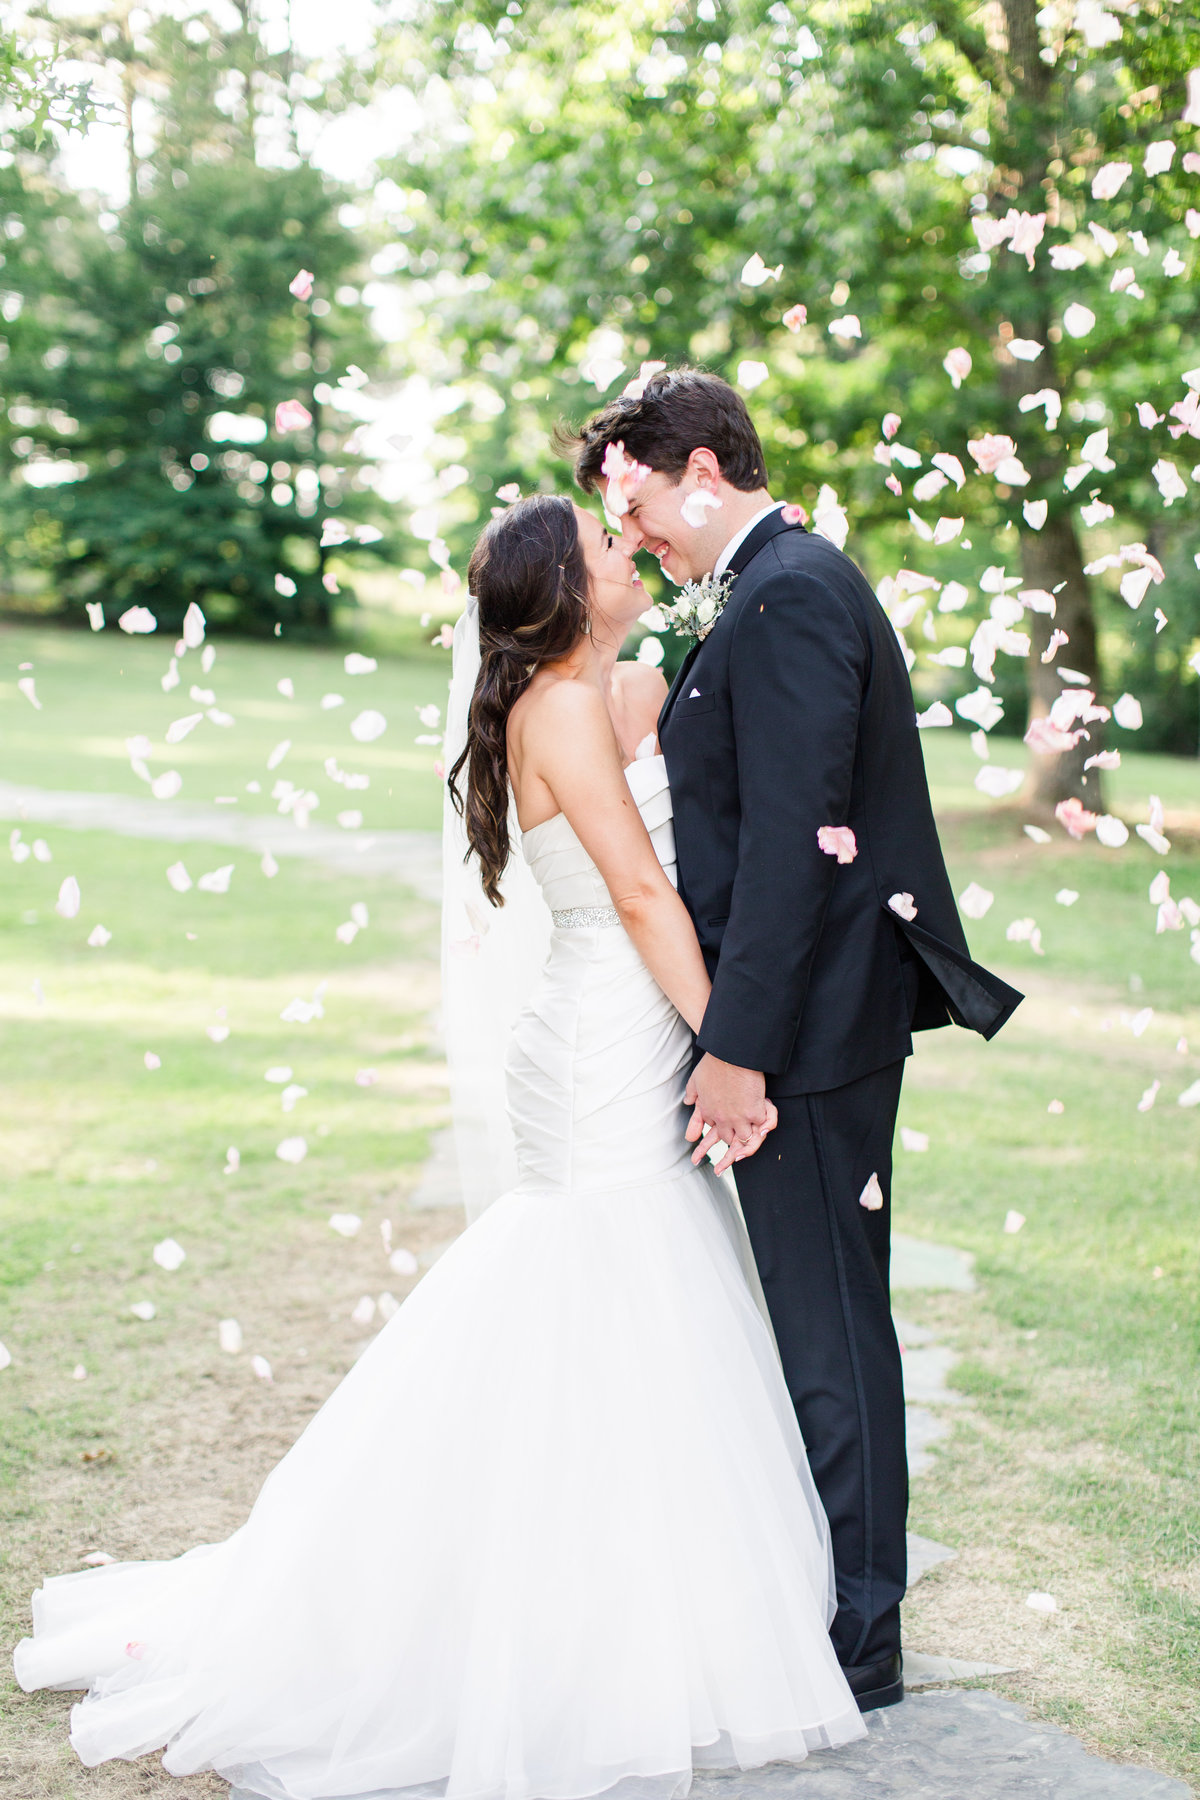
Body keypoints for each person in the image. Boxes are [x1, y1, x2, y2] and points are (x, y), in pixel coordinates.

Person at [14, 493, 868, 1797]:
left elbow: (668, 717)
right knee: (601, 1290)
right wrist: (729, 1053)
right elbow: (642, 893)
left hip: (605, 1025)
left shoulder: (596, 694)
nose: (625, 554)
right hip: (605, 1038)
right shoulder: (565, 711)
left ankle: (609, 1591)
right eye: (602, 553)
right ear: (564, 598)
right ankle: (549, 1613)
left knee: (618, 1301)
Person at [565, 367, 1024, 1713]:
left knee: (831, 1335)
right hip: (802, 1027)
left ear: (702, 468)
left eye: (639, 502)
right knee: (820, 1327)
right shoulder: (770, 592)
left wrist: (739, 1050)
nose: (635, 533)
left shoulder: (793, 593)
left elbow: (793, 854)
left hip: (810, 1038)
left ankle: (859, 1639)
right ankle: (840, 1604)